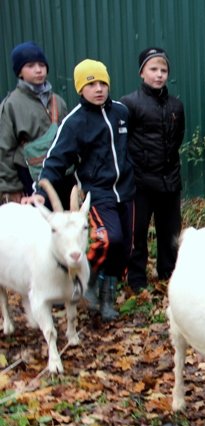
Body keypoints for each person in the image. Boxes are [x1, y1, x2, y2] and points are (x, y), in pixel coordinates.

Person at [30, 59, 135, 321]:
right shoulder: (74, 122)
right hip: (96, 192)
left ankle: (107, 297)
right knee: (109, 239)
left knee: (124, 249)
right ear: (80, 89)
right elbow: (55, 159)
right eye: (91, 84)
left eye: (102, 83)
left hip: (126, 190)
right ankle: (86, 282)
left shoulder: (121, 112)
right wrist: (40, 188)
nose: (98, 89)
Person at [120, 47, 185, 292]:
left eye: (163, 70)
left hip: (170, 181)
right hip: (141, 183)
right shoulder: (129, 104)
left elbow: (177, 139)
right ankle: (136, 279)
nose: (159, 75)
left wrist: (169, 170)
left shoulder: (176, 106)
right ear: (142, 72)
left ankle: (168, 273)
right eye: (153, 69)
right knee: (137, 233)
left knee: (170, 233)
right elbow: (123, 142)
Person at [0, 41, 73, 205]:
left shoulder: (58, 101)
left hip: (63, 175)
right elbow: (4, 150)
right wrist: (11, 189)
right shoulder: (11, 105)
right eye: (30, 66)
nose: (38, 70)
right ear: (19, 72)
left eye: (42, 65)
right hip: (29, 178)